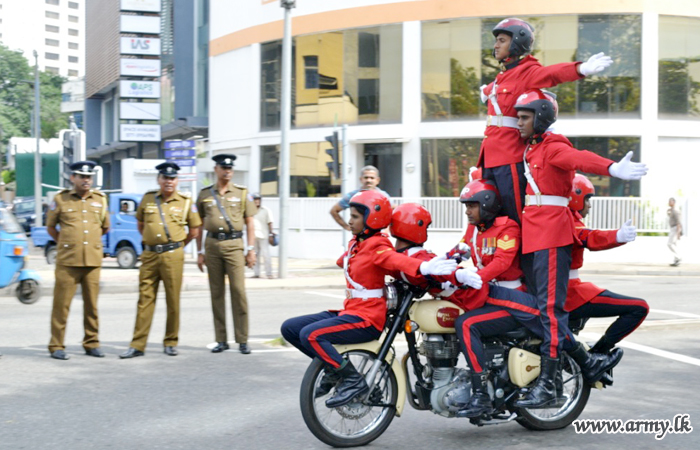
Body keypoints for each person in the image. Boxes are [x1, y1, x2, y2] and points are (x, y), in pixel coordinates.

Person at [513, 89, 647, 408]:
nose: (518, 122)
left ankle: (549, 384)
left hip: (550, 234)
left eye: (524, 117)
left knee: (550, 311)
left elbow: (579, 159)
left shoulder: (552, 146)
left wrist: (611, 168)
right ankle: (585, 362)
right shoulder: (532, 147)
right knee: (541, 311)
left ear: (541, 118)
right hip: (537, 234)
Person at [281, 190, 456, 408]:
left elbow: (395, 260)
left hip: (367, 319)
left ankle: (352, 379)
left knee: (311, 335)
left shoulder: (377, 245)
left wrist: (424, 267)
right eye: (350, 216)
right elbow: (344, 261)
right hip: (350, 312)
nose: (349, 221)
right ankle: (334, 370)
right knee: (290, 328)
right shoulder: (358, 243)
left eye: (355, 217)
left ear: (371, 219)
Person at [479, 18, 614, 224]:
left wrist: (581, 69)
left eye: (502, 40)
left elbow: (552, 74)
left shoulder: (527, 72)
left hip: (509, 155)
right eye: (496, 40)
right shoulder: (503, 76)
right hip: (490, 156)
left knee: (514, 216)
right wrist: (487, 91)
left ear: (517, 42)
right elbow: (499, 88)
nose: (496, 45)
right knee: (492, 218)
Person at [120, 162, 201, 358]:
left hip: (173, 256)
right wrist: (153, 242)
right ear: (159, 179)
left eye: (172, 178)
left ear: (177, 181)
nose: (168, 181)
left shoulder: (185, 202)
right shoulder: (148, 198)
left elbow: (194, 231)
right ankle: (137, 345)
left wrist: (177, 245)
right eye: (165, 178)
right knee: (145, 300)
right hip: (149, 255)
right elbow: (141, 225)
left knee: (173, 300)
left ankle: (171, 342)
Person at [566, 174, 649, 365]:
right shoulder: (569, 222)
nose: (589, 205)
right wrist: (618, 235)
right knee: (639, 308)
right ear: (575, 197)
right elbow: (590, 237)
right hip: (570, 293)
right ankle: (597, 355)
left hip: (565, 289)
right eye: (587, 199)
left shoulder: (558, 219)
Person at [46, 161, 110, 360]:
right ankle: (56, 345)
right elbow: (51, 227)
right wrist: (66, 243)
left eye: (89, 177)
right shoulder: (61, 199)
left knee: (92, 306)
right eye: (82, 176)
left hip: (92, 261)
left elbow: (105, 227)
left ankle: (91, 343)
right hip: (68, 261)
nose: (86, 180)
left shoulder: (100, 199)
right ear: (72, 178)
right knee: (61, 305)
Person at [195, 154, 258, 354]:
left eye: (230, 168)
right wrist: (199, 251)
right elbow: (198, 224)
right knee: (217, 293)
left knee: (238, 292)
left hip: (234, 245)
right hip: (212, 245)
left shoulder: (241, 193)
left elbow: (250, 223)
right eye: (223, 168)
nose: (227, 171)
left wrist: (251, 250)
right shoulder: (205, 194)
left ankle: (242, 339)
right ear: (216, 169)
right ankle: (221, 339)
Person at [329, 165, 389, 231]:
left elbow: (391, 213)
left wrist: (386, 231)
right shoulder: (353, 195)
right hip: (360, 235)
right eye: (366, 177)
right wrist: (347, 227)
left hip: (378, 233)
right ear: (361, 179)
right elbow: (334, 211)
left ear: (377, 180)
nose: (369, 180)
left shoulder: (383, 196)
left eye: (372, 178)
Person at [252, 193, 274, 279]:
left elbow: (270, 222)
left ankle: (269, 273)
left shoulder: (266, 210)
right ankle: (256, 273)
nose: (257, 201)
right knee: (255, 255)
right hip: (254, 236)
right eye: (255, 199)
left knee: (266, 255)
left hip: (263, 235)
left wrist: (271, 234)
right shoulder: (250, 211)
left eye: (258, 199)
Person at [667, 197, 682, 266]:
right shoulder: (672, 210)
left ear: (674, 202)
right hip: (673, 228)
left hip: (675, 228)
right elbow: (670, 217)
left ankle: (678, 257)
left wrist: (678, 233)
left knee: (669, 244)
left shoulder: (676, 210)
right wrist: (668, 211)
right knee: (675, 245)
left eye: (670, 201)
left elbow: (678, 222)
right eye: (669, 201)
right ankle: (676, 260)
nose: (669, 203)